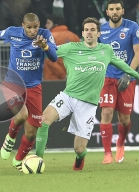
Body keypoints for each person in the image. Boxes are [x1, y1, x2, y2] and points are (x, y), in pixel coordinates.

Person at [40, 17, 139, 171]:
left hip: (88, 105)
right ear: (82, 33)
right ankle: (38, 160)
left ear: (99, 33)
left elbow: (126, 68)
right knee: (44, 119)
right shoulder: (70, 48)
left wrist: (136, 76)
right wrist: (44, 47)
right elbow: (51, 54)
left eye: (93, 30)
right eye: (86, 30)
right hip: (68, 96)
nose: (89, 33)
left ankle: (80, 158)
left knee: (78, 149)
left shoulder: (106, 51)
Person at [0, 13, 57, 171]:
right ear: (23, 26)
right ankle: (10, 137)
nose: (33, 30)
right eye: (29, 27)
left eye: (35, 27)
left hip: (34, 87)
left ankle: (18, 160)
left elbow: (54, 57)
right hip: (13, 83)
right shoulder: (12, 33)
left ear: (39, 24)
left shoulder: (45, 35)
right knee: (21, 115)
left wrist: (45, 47)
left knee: (31, 134)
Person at [98, 0, 139, 164]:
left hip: (127, 78)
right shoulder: (100, 31)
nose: (114, 12)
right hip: (107, 78)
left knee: (125, 120)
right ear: (107, 12)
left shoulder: (132, 27)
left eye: (117, 9)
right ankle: (107, 153)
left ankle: (120, 142)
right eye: (111, 9)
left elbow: (138, 52)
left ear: (122, 11)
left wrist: (128, 75)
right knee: (106, 113)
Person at [43, 14, 80, 81]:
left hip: (53, 78)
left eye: (48, 23)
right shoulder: (74, 36)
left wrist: (62, 74)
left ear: (56, 24)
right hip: (72, 78)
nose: (46, 25)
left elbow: (48, 59)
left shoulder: (49, 38)